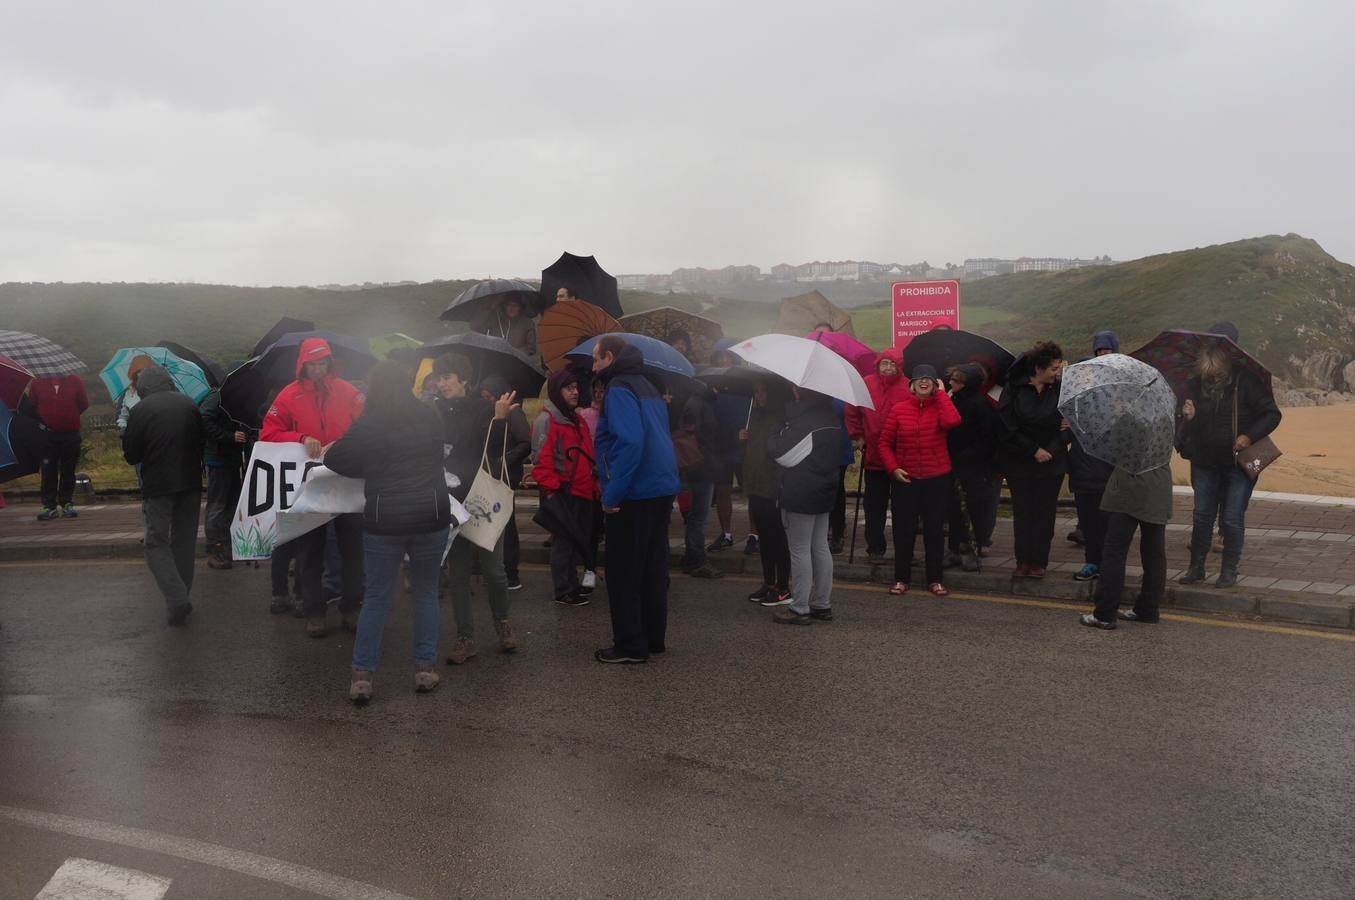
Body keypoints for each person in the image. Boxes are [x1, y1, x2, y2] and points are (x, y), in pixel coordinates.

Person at [323, 362, 455, 703]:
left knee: (378, 596)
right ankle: (425, 668)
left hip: (386, 520)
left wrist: (369, 464)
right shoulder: (430, 416)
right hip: (432, 515)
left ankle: (362, 676)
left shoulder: (371, 423)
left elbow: (335, 458)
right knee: (426, 592)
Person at [260, 337, 366, 637]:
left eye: (323, 363)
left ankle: (351, 608)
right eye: (313, 363)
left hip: (348, 482)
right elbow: (268, 434)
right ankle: (314, 611)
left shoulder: (350, 392)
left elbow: (368, 428)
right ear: (302, 365)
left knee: (352, 551)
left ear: (330, 362)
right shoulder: (288, 395)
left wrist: (343, 444)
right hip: (306, 486)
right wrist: (301, 438)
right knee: (309, 552)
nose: (318, 369)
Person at [591, 334, 680, 663]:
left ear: (610, 358)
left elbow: (629, 442)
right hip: (660, 487)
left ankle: (630, 644)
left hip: (634, 491)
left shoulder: (619, 388)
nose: (593, 365)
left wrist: (612, 493)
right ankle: (653, 637)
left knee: (624, 571)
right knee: (653, 568)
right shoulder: (648, 385)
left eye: (596, 358)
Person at [430, 352, 520, 663]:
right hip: (451, 502)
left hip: (481, 498)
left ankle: (503, 623)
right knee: (458, 575)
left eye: (447, 377)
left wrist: (500, 419)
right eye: (438, 378)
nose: (441, 383)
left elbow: (494, 450)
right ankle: (465, 638)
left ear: (464, 379)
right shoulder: (435, 411)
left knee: (495, 571)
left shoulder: (485, 409)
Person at [1176, 343, 1281, 588]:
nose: (1213, 378)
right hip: (1204, 461)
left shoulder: (1245, 382)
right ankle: (1196, 567)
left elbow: (1272, 414)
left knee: (1233, 518)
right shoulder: (1195, 384)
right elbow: (1189, 426)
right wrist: (1189, 418)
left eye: (1218, 373)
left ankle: (1229, 570)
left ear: (1227, 365)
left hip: (1237, 463)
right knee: (1202, 516)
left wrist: (1248, 436)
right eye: (1209, 374)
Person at [121, 365, 205, 626]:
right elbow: (201, 442)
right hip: (190, 483)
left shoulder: (140, 410)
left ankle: (177, 599)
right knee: (184, 542)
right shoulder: (189, 404)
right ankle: (182, 596)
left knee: (156, 543)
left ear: (143, 386)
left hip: (158, 487)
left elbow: (132, 455)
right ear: (168, 382)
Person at [879, 365, 961, 596]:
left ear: (935, 384)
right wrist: (893, 468)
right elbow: (884, 443)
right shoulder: (899, 409)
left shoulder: (941, 406)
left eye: (928, 379)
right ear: (911, 385)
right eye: (918, 379)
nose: (923, 382)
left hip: (937, 478)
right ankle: (901, 579)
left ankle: (935, 579)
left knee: (934, 530)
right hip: (906, 479)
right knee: (903, 530)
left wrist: (943, 394)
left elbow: (953, 422)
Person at [767, 387, 841, 625]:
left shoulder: (803, 421)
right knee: (820, 546)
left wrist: (776, 429)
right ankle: (822, 603)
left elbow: (781, 454)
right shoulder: (832, 418)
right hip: (825, 487)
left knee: (799, 550)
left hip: (800, 490)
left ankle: (799, 607)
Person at [998, 341, 1069, 579]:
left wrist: (1051, 448)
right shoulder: (1015, 388)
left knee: (1045, 514)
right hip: (1020, 460)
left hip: (1052, 461)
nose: (1057, 373)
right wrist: (1033, 449)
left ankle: (1039, 561)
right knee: (1024, 512)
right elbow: (1007, 425)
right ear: (1038, 368)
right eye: (1053, 368)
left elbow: (1070, 425)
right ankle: (1022, 560)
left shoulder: (1061, 390)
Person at [1080, 461, 1173, 629]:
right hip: (1159, 487)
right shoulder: (1165, 433)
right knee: (1154, 551)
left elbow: (1118, 449)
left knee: (1114, 551)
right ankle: (1148, 608)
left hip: (1129, 488)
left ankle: (1105, 613)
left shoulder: (1129, 433)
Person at [532, 370, 597, 606]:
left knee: (573, 542)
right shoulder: (548, 420)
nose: (575, 392)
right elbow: (541, 460)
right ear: (556, 391)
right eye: (568, 388)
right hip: (563, 492)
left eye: (576, 387)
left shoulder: (575, 419)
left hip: (581, 491)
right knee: (563, 543)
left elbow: (587, 455)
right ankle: (564, 590)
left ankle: (572, 585)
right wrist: (552, 491)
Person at [845, 348, 910, 563]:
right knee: (874, 506)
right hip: (873, 455)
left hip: (902, 456)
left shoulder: (908, 386)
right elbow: (852, 409)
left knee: (904, 509)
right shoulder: (867, 382)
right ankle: (875, 548)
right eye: (884, 363)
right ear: (877, 365)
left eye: (892, 364)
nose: (888, 368)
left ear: (899, 366)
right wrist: (857, 435)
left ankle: (904, 551)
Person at [741, 380, 792, 607]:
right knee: (765, 537)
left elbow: (780, 450)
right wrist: (744, 437)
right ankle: (768, 582)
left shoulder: (781, 417)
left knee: (777, 537)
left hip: (773, 484)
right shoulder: (755, 416)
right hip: (756, 483)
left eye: (763, 391)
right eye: (757, 391)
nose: (759, 396)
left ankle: (782, 586)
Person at [945, 363, 1001, 570]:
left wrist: (969, 456)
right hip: (953, 463)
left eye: (957, 380)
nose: (951, 383)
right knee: (953, 509)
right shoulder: (952, 400)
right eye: (952, 379)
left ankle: (970, 549)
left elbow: (988, 439)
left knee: (974, 508)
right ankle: (953, 549)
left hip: (975, 467)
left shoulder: (981, 405)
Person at [479, 374, 532, 591]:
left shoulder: (514, 411)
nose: (488, 401)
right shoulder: (489, 411)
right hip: (493, 473)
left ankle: (511, 573)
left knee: (506, 524)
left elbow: (524, 444)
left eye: (490, 396)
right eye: (484, 397)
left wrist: (504, 460)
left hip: (507, 474)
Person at [706, 339, 752, 554]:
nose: (724, 360)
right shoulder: (709, 385)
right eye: (720, 357)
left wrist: (751, 432)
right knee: (723, 491)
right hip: (721, 447)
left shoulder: (747, 384)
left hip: (744, 447)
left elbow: (757, 412)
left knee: (751, 493)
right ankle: (726, 534)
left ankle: (755, 535)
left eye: (728, 356)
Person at [674, 384, 722, 579]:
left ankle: (692, 557)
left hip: (701, 465)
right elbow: (692, 436)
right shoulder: (696, 403)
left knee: (696, 517)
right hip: (699, 466)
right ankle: (696, 561)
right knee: (698, 517)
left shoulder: (703, 401)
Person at [28, 372, 89, 520]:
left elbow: (83, 404)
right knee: (48, 470)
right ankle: (49, 506)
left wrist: (68, 416)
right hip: (46, 435)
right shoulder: (37, 382)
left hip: (70, 433)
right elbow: (32, 406)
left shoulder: (75, 380)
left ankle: (67, 503)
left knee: (68, 470)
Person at [199, 387, 247, 569]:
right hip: (218, 459)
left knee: (231, 506)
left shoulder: (239, 398)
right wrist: (229, 436)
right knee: (218, 506)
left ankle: (227, 547)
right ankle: (214, 550)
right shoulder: (217, 396)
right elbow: (203, 419)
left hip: (232, 459)